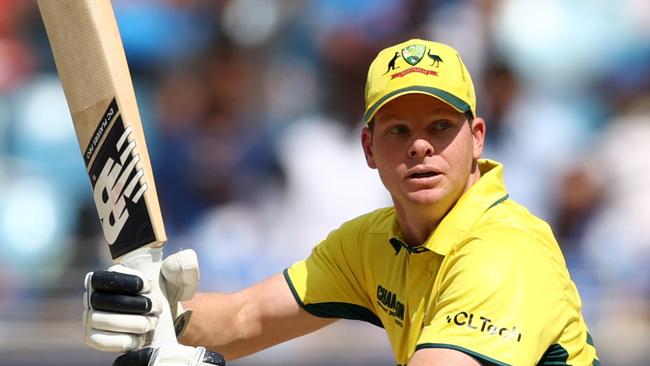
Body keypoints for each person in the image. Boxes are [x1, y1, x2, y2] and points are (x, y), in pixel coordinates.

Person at [82, 39, 600, 366]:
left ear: (478, 138)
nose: (421, 145)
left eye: (441, 127)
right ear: (369, 149)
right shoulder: (372, 242)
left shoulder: (505, 251)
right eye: (399, 130)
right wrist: (154, 312)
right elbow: (245, 319)